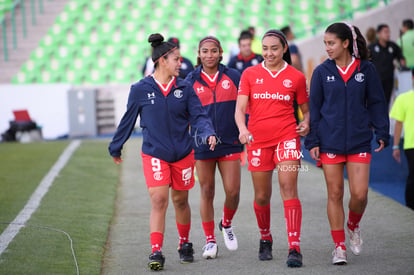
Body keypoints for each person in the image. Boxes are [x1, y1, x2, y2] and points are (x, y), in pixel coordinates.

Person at [108, 33, 217, 271]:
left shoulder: (185, 87)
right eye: (176, 59)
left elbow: (199, 115)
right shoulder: (140, 89)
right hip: (155, 153)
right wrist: (116, 146)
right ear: (162, 60)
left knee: (180, 200)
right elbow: (128, 120)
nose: (181, 63)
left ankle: (184, 243)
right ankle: (156, 251)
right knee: (159, 199)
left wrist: (208, 132)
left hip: (183, 154)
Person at [305, 22, 390, 265]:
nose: (327, 48)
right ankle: (339, 247)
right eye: (325, 43)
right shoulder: (321, 72)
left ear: (345, 43)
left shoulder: (367, 69)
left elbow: (376, 102)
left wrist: (382, 131)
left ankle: (353, 225)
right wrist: (313, 140)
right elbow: (315, 109)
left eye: (331, 43)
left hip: (359, 141)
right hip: (329, 142)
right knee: (334, 193)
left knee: (360, 195)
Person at [235, 29, 310, 268]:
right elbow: (239, 109)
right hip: (258, 141)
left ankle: (294, 247)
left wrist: (306, 122)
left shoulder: (296, 77)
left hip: (287, 137)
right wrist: (242, 130)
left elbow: (306, 110)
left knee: (288, 187)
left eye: (274, 48)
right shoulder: (249, 74)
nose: (268, 53)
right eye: (265, 48)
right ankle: (265, 237)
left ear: (284, 49)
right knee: (261, 195)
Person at [185, 36, 243, 259]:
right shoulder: (189, 80)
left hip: (230, 141)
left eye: (213, 51)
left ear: (220, 53)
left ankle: (226, 224)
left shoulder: (234, 76)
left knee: (233, 191)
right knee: (207, 191)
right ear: (198, 54)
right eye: (204, 51)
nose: (209, 55)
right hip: (201, 145)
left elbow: (246, 106)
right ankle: (210, 241)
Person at [389, 68, 414, 210]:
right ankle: (410, 206)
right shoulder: (403, 98)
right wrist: (395, 146)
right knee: (413, 175)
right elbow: (398, 123)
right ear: (412, 79)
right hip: (411, 144)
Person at [368, 24, 406, 108]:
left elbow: (401, 57)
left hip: (389, 80)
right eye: (385, 32)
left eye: (389, 32)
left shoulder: (392, 46)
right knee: (377, 102)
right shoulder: (372, 48)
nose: (388, 34)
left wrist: (402, 64)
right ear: (378, 34)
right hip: (376, 81)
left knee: (387, 101)